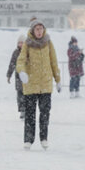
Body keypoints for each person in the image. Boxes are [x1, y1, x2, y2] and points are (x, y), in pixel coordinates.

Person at [15, 19, 61, 150]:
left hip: (45, 84)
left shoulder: (48, 43)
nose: (39, 31)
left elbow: (54, 62)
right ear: (32, 30)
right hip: (31, 85)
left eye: (41, 28)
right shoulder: (27, 44)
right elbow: (20, 61)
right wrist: (22, 72)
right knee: (30, 114)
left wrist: (58, 80)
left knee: (45, 113)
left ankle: (44, 138)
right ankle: (28, 139)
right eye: (37, 29)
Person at [5, 33, 26, 118]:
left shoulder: (28, 52)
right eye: (19, 43)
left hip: (27, 77)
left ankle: (28, 110)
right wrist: (9, 75)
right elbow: (12, 64)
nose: (20, 44)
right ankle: (22, 110)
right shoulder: (16, 52)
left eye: (22, 42)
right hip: (18, 77)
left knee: (27, 95)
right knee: (20, 95)